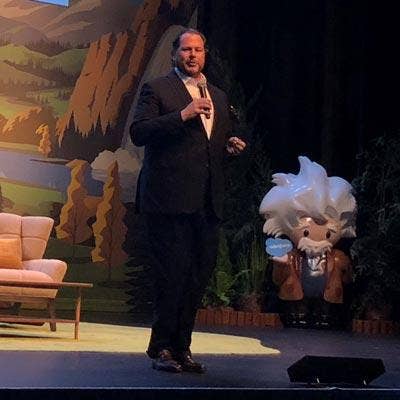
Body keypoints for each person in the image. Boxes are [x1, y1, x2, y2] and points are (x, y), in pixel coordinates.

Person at [130, 28, 246, 373]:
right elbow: (139, 132)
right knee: (172, 275)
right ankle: (162, 348)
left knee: (196, 278)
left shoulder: (219, 96)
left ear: (205, 54)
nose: (192, 55)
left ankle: (182, 348)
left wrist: (228, 147)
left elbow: (207, 149)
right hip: (168, 201)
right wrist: (182, 114)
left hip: (206, 203)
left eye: (198, 50)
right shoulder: (158, 89)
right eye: (186, 50)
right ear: (174, 54)